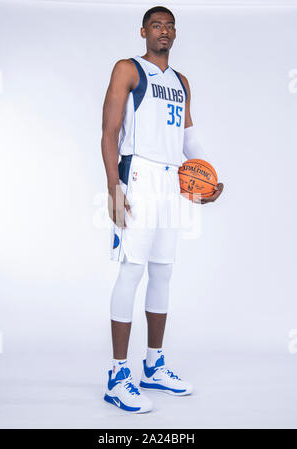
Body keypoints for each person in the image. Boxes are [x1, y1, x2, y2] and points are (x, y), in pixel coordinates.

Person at [101, 5, 224, 413]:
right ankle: (118, 375)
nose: (164, 31)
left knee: (162, 271)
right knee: (132, 268)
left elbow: (188, 136)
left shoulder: (181, 82)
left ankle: (152, 365)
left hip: (173, 181)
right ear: (143, 31)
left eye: (170, 26)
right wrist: (113, 188)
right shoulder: (128, 69)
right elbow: (109, 131)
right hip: (138, 174)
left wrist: (210, 176)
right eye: (157, 25)